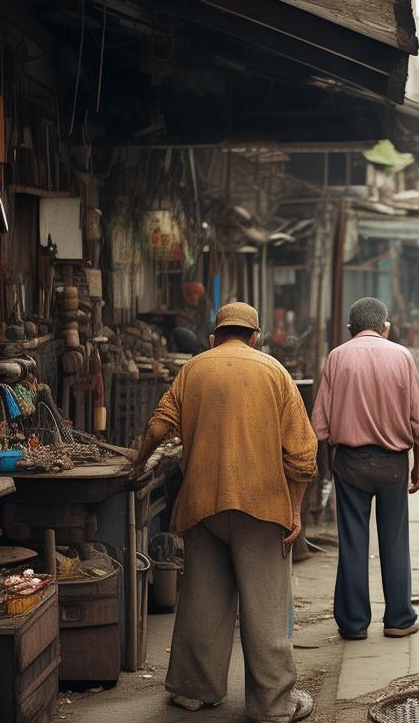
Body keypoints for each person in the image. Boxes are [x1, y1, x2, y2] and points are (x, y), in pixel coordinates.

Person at [129, 302, 318, 720]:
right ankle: (273, 705)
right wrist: (296, 509)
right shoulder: (275, 373)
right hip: (262, 507)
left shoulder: (193, 369)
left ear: (214, 337)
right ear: (256, 337)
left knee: (201, 600)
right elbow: (303, 454)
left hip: (203, 506)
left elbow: (159, 427)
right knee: (267, 608)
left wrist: (137, 461)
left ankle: (193, 691)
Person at [311, 297, 419, 640]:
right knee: (394, 540)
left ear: (352, 329)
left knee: (353, 541)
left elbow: (320, 426)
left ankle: (353, 624)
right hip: (392, 464)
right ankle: (398, 619)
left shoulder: (337, 357)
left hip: (350, 463)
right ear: (385, 326)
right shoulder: (401, 355)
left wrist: (329, 466)